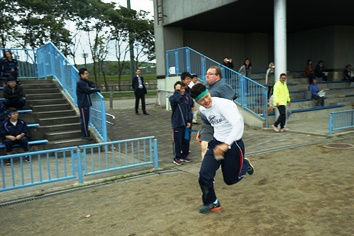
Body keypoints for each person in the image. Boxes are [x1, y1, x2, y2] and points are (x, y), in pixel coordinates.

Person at [190, 83, 254, 214]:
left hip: (233, 145)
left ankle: (245, 163)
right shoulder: (203, 110)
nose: (206, 101)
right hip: (216, 144)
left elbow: (238, 125)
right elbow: (211, 125)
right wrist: (205, 136)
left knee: (230, 180)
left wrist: (226, 144)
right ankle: (212, 202)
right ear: (197, 102)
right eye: (202, 100)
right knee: (204, 175)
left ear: (209, 92)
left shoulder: (224, 105)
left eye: (207, 96)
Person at [199, 66, 237, 160]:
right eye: (207, 74)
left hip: (221, 125)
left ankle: (244, 162)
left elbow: (231, 104)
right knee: (205, 148)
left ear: (217, 76)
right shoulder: (206, 88)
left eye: (210, 74)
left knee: (226, 154)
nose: (207, 76)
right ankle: (206, 173)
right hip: (208, 125)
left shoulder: (222, 86)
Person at [169, 81, 192, 165]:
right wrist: (177, 92)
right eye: (179, 89)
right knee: (177, 141)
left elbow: (189, 110)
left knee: (185, 141)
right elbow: (176, 99)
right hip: (177, 123)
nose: (182, 90)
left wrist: (189, 120)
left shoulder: (186, 98)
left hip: (185, 124)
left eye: (183, 88)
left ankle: (184, 155)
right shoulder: (173, 98)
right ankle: (177, 157)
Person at [76, 68, 100, 140]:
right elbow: (88, 90)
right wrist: (95, 89)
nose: (87, 75)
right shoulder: (80, 83)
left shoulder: (85, 81)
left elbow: (92, 84)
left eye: (87, 73)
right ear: (81, 75)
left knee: (86, 119)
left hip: (86, 104)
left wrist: (92, 88)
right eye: (86, 74)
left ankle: (86, 134)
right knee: (84, 120)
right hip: (83, 104)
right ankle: (85, 135)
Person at [180, 72, 194, 156]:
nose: (189, 80)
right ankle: (181, 150)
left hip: (189, 113)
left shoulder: (189, 89)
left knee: (188, 133)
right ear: (183, 80)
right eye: (187, 79)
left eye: (190, 79)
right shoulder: (180, 90)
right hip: (183, 115)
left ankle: (186, 149)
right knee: (182, 134)